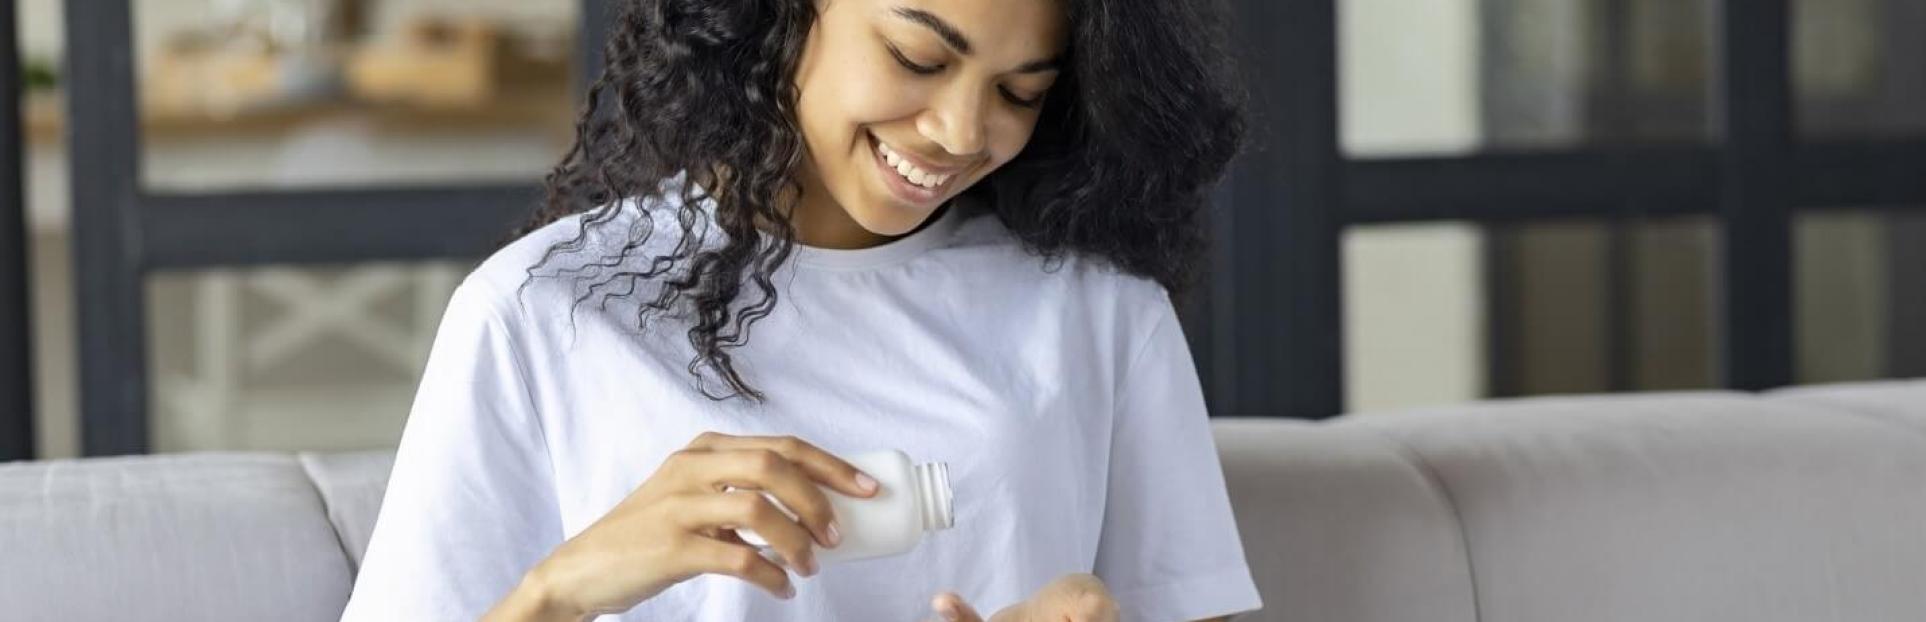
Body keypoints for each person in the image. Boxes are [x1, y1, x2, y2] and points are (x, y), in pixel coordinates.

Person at [340, 0, 1258, 619]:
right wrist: (560, 591)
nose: (963, 132)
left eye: (1022, 90)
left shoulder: (1097, 309)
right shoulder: (542, 310)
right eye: (917, 58)